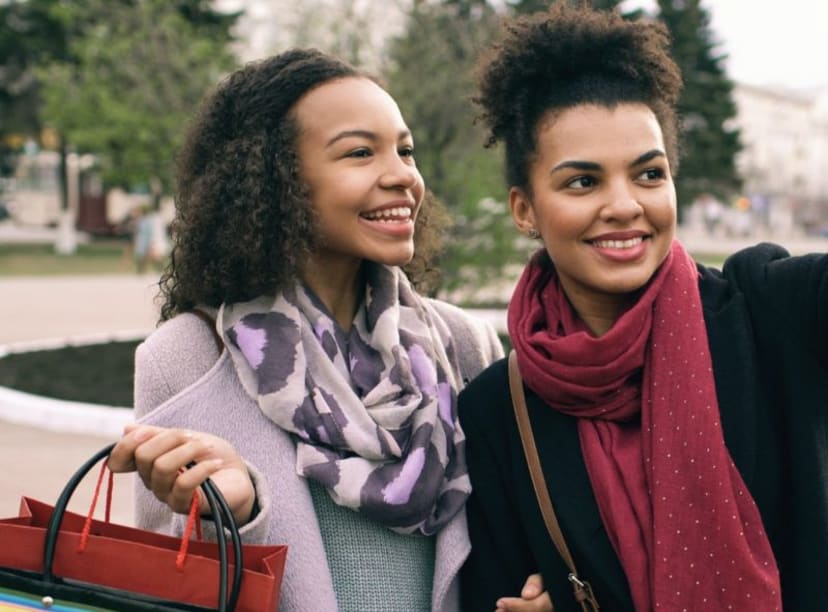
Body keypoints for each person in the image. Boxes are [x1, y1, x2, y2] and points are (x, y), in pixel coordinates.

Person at [107, 49, 550, 611]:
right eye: (361, 153)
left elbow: (502, 543)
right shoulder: (187, 357)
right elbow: (166, 586)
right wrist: (234, 520)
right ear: (276, 181)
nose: (403, 176)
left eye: (405, 150)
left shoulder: (462, 344)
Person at [458, 4, 827, 612]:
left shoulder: (768, 310)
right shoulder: (498, 411)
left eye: (649, 174)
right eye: (583, 182)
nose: (626, 205)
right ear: (524, 209)